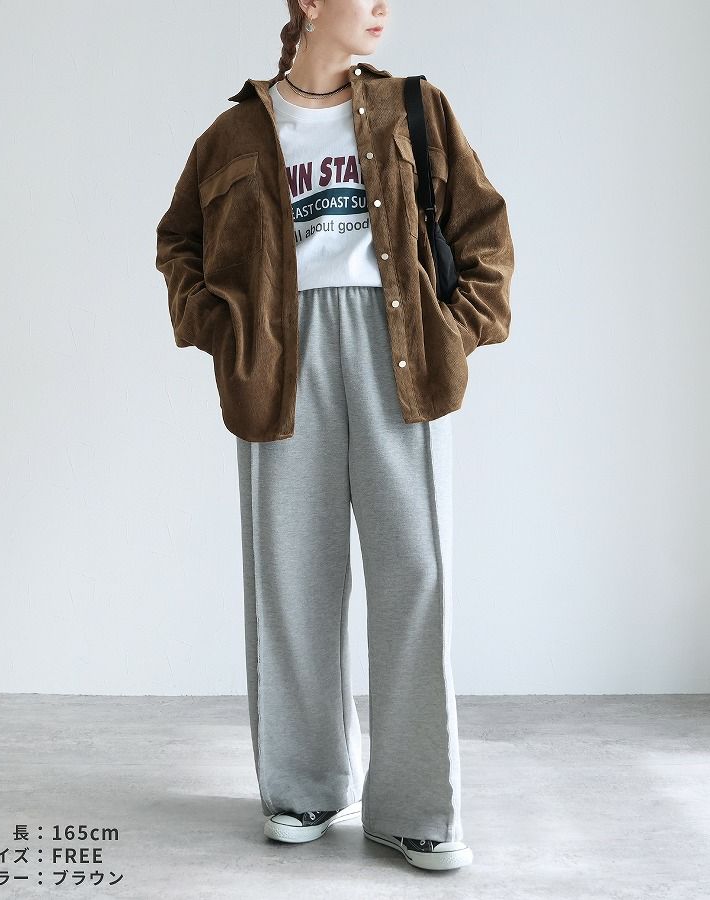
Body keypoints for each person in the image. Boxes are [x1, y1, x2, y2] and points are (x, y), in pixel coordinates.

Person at [156, 0, 515, 873]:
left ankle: (418, 810)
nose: (384, 6)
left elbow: (482, 229)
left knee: (415, 576)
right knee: (291, 578)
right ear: (312, 4)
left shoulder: (414, 109)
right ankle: (303, 787)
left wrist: (455, 329)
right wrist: (223, 330)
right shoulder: (233, 135)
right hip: (280, 361)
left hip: (401, 352)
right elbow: (179, 244)